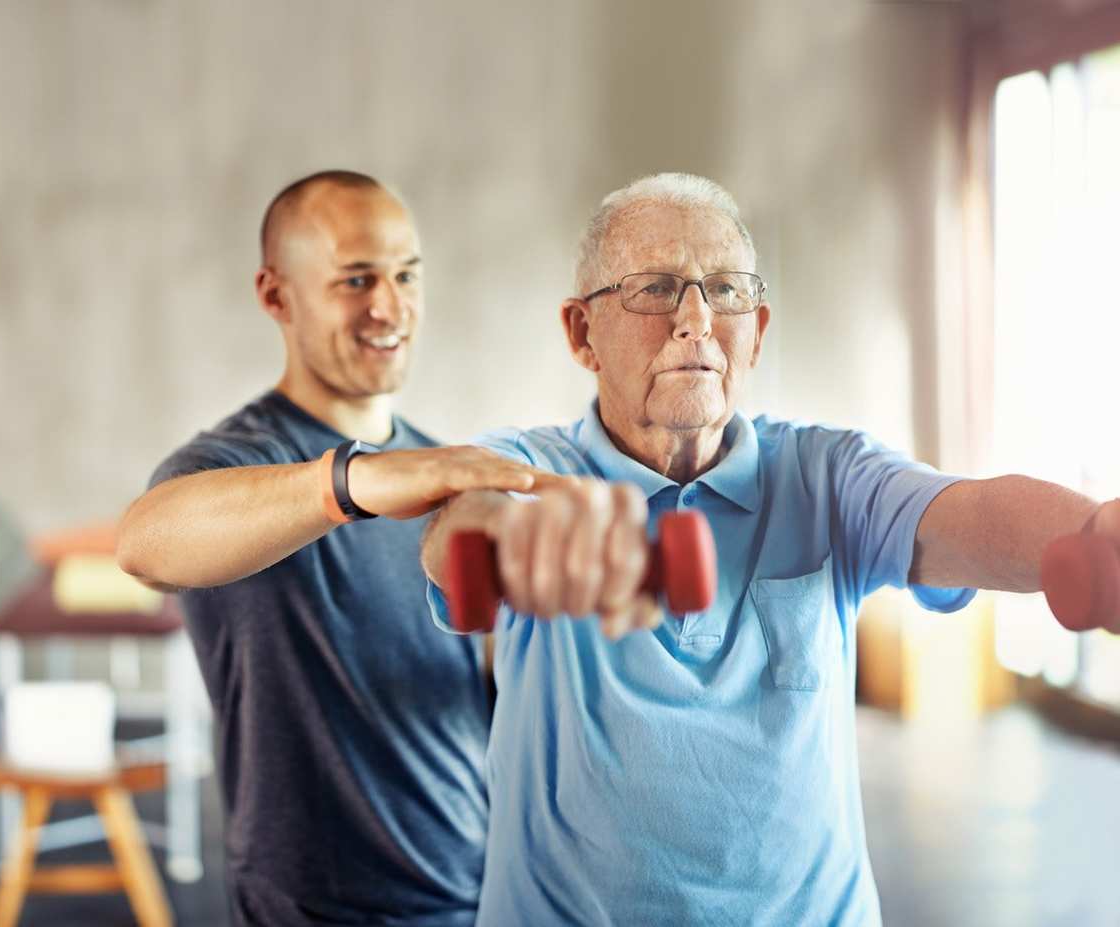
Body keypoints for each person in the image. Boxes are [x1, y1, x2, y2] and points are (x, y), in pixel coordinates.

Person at [420, 172, 1120, 926]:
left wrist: (1091, 537)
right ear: (580, 332)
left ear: (756, 328)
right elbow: (466, 515)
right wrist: (512, 536)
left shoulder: (829, 475)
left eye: (724, 291)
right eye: (655, 287)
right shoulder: (530, 463)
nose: (695, 319)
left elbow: (969, 512)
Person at [117, 170, 553, 926]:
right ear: (276, 296)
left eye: (404, 274)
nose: (388, 306)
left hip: (477, 893)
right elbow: (145, 541)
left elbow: (469, 689)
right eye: (355, 280)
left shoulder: (441, 470)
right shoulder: (233, 462)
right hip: (317, 909)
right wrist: (350, 485)